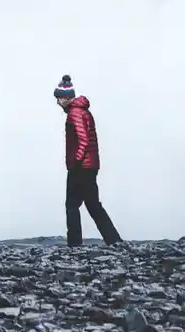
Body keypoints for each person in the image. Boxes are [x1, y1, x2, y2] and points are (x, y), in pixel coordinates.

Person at [54, 75, 123, 246]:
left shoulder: (74, 114)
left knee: (72, 205)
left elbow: (82, 140)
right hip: (90, 165)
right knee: (93, 205)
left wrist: (75, 162)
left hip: (80, 167)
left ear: (67, 98)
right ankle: (114, 241)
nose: (57, 102)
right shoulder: (83, 112)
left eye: (58, 98)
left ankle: (74, 244)